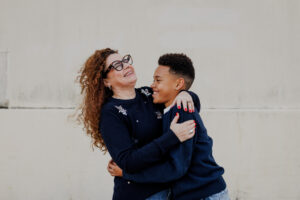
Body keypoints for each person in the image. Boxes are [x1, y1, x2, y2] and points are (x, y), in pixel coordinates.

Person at [76, 48, 201, 200]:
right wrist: (172, 137)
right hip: (139, 194)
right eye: (117, 65)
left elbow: (184, 104)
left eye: (125, 60)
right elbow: (128, 162)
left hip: (169, 189)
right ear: (106, 81)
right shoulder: (111, 113)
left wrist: (186, 93)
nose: (126, 65)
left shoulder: (148, 94)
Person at [108, 53, 230, 200]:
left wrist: (126, 173)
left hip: (204, 193)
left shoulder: (181, 111)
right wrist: (186, 93)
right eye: (153, 80)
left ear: (178, 84)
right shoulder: (166, 108)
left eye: (158, 80)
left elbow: (175, 168)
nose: (152, 85)